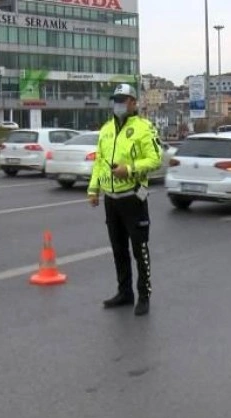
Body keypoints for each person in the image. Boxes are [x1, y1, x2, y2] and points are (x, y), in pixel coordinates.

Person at [87, 83, 163, 316]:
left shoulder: (143, 128)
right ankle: (124, 292)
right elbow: (100, 162)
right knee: (118, 249)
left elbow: (155, 159)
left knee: (139, 249)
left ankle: (144, 295)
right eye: (115, 100)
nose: (118, 104)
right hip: (111, 199)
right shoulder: (106, 129)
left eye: (123, 100)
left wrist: (129, 169)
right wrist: (94, 189)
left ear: (133, 103)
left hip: (133, 197)